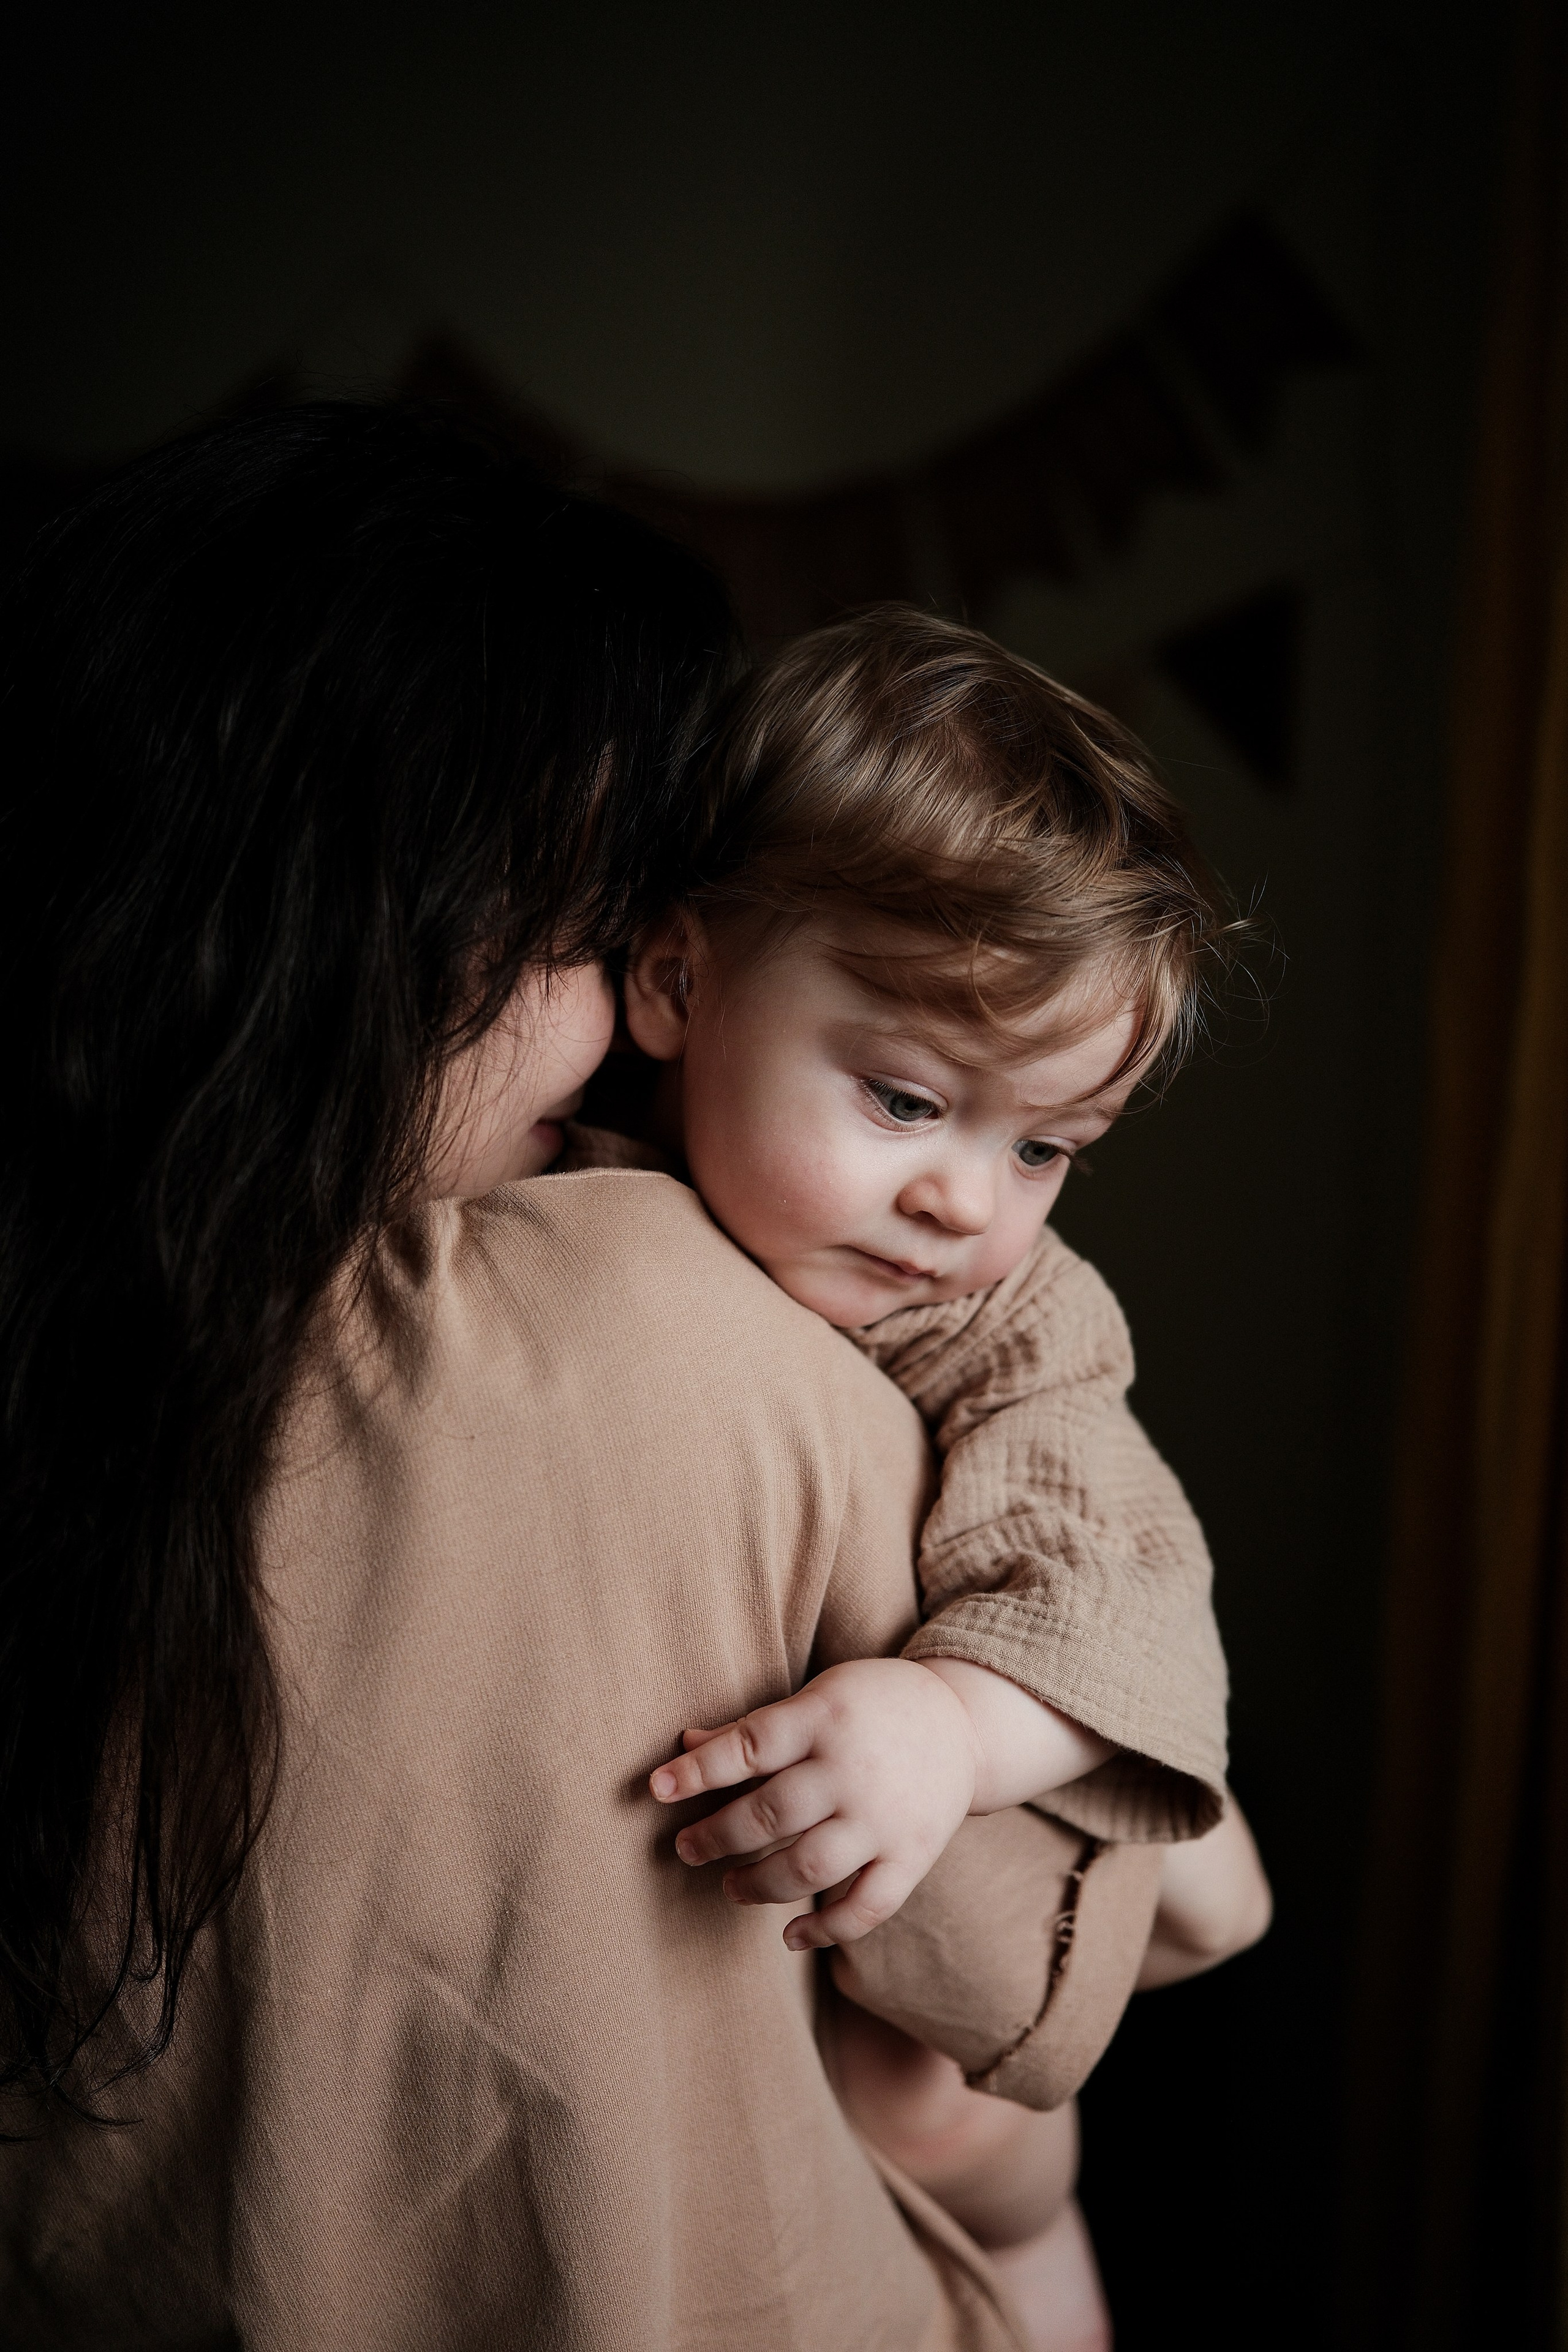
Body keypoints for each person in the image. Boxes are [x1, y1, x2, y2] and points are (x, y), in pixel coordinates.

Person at [0, 405, 1161, 2351]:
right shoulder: (637, 1316)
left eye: (1046, 1146)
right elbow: (1074, 1946)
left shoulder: (86, 1345)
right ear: (380, 933)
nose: (618, 1023)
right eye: (589, 933)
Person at [554, 608, 1273, 2323]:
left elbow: (1120, 1585)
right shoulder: (557, 1194)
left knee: (965, 2159)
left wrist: (954, 1725)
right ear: (673, 982)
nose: (971, 1201)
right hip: (711, 2018)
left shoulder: (1015, 1320)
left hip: (949, 2068)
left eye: (1043, 1145)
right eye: (903, 1100)